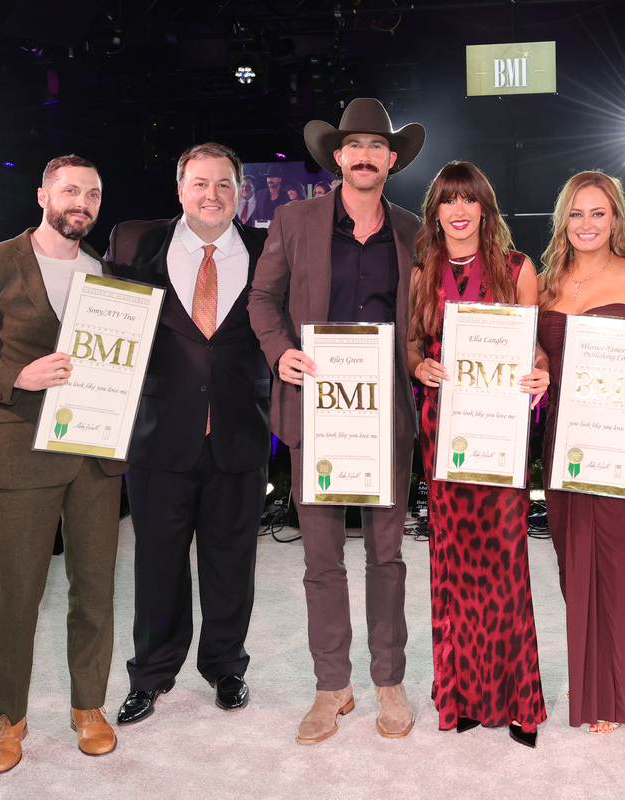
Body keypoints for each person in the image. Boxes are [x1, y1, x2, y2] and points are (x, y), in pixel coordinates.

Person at [0, 155, 128, 773]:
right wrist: (15, 375)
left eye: (92, 193)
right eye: (70, 190)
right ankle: (9, 719)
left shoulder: (108, 271)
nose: (82, 202)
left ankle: (87, 707)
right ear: (43, 194)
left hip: (95, 453)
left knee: (96, 592)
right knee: (18, 597)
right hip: (23, 452)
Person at [248, 97, 424, 744]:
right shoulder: (295, 221)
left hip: (385, 413)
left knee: (387, 556)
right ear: (339, 156)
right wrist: (279, 350)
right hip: (316, 409)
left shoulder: (412, 229)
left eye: (378, 146)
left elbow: (428, 313)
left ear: (392, 159)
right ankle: (332, 687)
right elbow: (262, 298)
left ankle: (388, 681)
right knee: (321, 557)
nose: (366, 155)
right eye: (355, 146)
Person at [104, 143, 271, 725]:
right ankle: (150, 674)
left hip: (240, 434)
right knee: (157, 564)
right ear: (180, 190)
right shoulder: (134, 245)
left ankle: (226, 667)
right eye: (200, 183)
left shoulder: (268, 250)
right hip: (158, 435)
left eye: (224, 185)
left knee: (232, 564)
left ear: (240, 192)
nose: (212, 195)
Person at [406, 161, 549, 746]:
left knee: (507, 564)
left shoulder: (518, 269)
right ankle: (461, 695)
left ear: (485, 210)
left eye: (470, 201)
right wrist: (419, 364)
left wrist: (540, 372)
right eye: (448, 201)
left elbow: (536, 346)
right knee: (455, 565)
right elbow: (414, 341)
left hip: (501, 431)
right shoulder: (421, 274)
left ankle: (519, 702)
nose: (459, 211)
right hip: (444, 432)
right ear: (435, 212)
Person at [535, 171, 625, 735]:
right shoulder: (542, 285)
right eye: (576, 213)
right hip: (566, 441)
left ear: (615, 218)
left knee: (622, 564)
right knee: (575, 566)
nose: (587, 224)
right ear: (562, 221)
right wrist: (540, 372)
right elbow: (539, 355)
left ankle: (617, 696)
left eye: (598, 213)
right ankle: (589, 684)